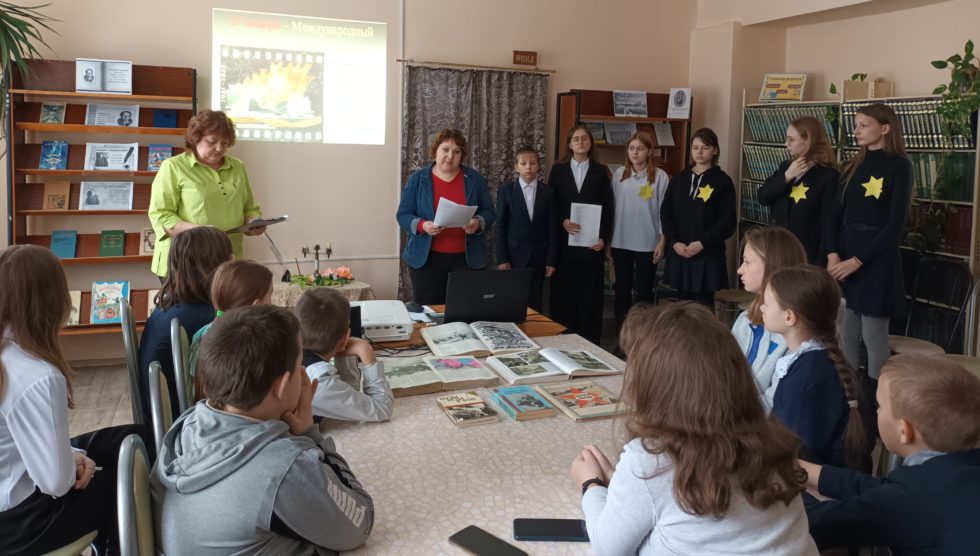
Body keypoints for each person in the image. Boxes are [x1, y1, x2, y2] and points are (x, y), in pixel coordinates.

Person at [568, 303, 817, 555]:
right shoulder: (770, 441)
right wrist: (624, 487)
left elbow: (607, 548)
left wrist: (591, 485)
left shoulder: (651, 460)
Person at [151, 305, 375, 554]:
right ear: (281, 386)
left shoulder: (188, 422)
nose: (303, 372)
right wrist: (310, 435)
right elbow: (360, 524)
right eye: (300, 362)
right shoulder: (284, 468)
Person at [0, 245, 149, 556]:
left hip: (11, 503)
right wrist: (73, 463)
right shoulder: (38, 376)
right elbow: (55, 483)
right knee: (121, 483)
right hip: (21, 525)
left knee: (130, 437)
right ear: (53, 300)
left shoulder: (9, 356)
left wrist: (72, 456)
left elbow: (18, 447)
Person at [802, 353, 980, 553]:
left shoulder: (911, 501)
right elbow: (880, 488)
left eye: (879, 406)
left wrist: (775, 484)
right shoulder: (952, 474)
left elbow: (814, 525)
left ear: (904, 431)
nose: (877, 412)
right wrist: (798, 470)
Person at [826, 103, 912, 387]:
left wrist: (857, 260)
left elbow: (894, 226)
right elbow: (834, 216)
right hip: (846, 253)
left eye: (864, 125)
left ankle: (877, 406)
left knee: (873, 335)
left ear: (884, 128)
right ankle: (852, 398)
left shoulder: (900, 166)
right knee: (847, 332)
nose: (857, 131)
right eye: (856, 124)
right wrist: (833, 254)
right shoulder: (853, 165)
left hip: (875, 259)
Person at [762, 265, 868, 470]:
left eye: (766, 303)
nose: (761, 308)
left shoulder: (807, 379)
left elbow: (793, 456)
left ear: (789, 317)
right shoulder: (816, 360)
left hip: (811, 493)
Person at [148, 110, 265, 279]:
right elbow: (162, 215)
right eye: (212, 142)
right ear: (196, 138)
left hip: (227, 260)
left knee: (225, 306)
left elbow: (249, 207)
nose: (219, 148)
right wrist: (202, 232)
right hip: (186, 262)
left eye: (225, 143)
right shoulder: (173, 167)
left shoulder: (238, 167)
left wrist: (254, 222)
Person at [139, 226, 232, 419]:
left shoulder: (170, 306)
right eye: (229, 256)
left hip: (161, 421)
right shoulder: (209, 317)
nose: (233, 261)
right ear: (217, 265)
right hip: (187, 422)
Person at [395, 128, 495, 305]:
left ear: (462, 155)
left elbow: (489, 212)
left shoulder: (474, 179)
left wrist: (477, 223)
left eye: (456, 152)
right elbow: (403, 215)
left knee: (464, 311)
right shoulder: (417, 179)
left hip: (467, 261)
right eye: (445, 149)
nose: (450, 156)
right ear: (435, 151)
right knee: (429, 315)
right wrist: (423, 226)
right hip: (427, 261)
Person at [549, 124, 614, 345]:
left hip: (591, 248)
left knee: (589, 300)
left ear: (590, 143)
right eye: (576, 139)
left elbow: (608, 208)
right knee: (563, 299)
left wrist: (604, 239)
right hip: (565, 248)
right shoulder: (558, 170)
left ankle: (590, 345)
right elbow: (551, 204)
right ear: (569, 144)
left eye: (585, 138)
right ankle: (563, 344)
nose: (580, 142)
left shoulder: (601, 170)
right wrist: (563, 221)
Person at [732, 226, 808, 408]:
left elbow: (774, 407)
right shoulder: (744, 320)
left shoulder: (796, 335)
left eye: (747, 262)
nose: (739, 270)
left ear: (772, 265)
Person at [660, 127, 736, 307]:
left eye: (705, 147)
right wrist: (674, 241)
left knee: (703, 307)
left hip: (707, 254)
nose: (699, 152)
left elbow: (727, 221)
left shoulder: (723, 181)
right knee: (682, 307)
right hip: (680, 252)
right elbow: (666, 213)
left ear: (715, 150)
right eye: (695, 148)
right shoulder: (679, 179)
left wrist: (703, 242)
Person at [294, 288, 393, 422]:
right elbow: (382, 409)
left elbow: (347, 401)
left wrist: (342, 353)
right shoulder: (321, 380)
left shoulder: (295, 356)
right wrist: (366, 351)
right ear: (346, 336)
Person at [758, 116, 840, 265]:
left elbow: (828, 220)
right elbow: (763, 197)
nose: (786, 144)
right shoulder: (785, 167)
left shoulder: (828, 176)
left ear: (808, 140)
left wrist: (825, 257)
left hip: (806, 252)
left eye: (791, 140)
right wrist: (786, 177)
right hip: (777, 247)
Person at [610, 131, 669, 328]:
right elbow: (612, 207)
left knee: (644, 291)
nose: (635, 153)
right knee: (622, 290)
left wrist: (662, 240)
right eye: (632, 148)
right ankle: (622, 335)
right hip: (621, 241)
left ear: (649, 151)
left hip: (648, 242)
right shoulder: (619, 174)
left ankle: (643, 333)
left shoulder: (660, 177)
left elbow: (664, 211)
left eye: (640, 149)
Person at [188, 259, 274, 390]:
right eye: (270, 295)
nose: (272, 303)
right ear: (256, 306)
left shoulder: (205, 332)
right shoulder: (243, 347)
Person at [495, 146, 557, 313]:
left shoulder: (548, 192)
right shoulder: (506, 190)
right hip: (514, 255)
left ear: (538, 165)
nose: (528, 167)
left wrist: (551, 260)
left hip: (539, 254)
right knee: (513, 298)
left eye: (532, 163)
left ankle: (535, 332)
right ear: (516, 167)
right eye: (523, 163)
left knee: (536, 299)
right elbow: (500, 225)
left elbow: (553, 227)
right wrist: (502, 258)